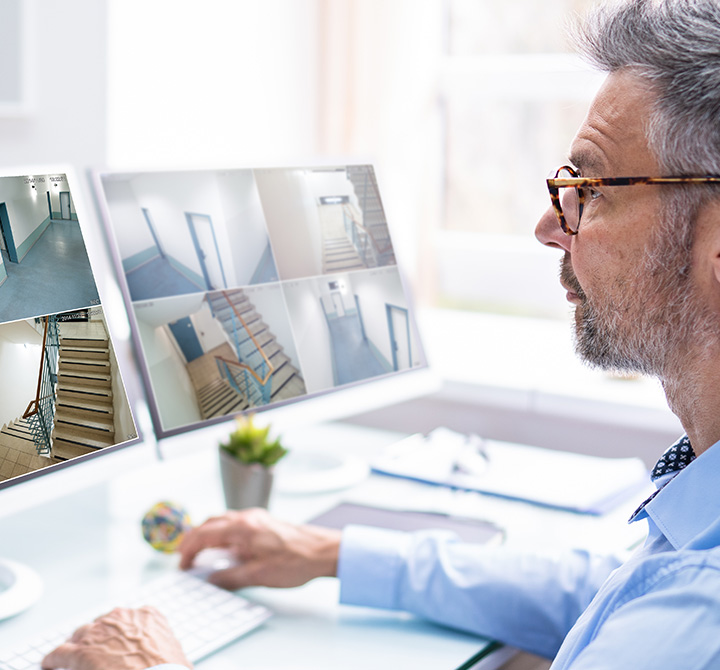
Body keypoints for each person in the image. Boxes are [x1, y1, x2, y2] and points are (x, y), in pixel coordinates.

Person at [41, 0, 720, 668]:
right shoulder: (686, 551)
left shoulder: (697, 617)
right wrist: (331, 554)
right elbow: (601, 586)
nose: (551, 227)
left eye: (594, 189)